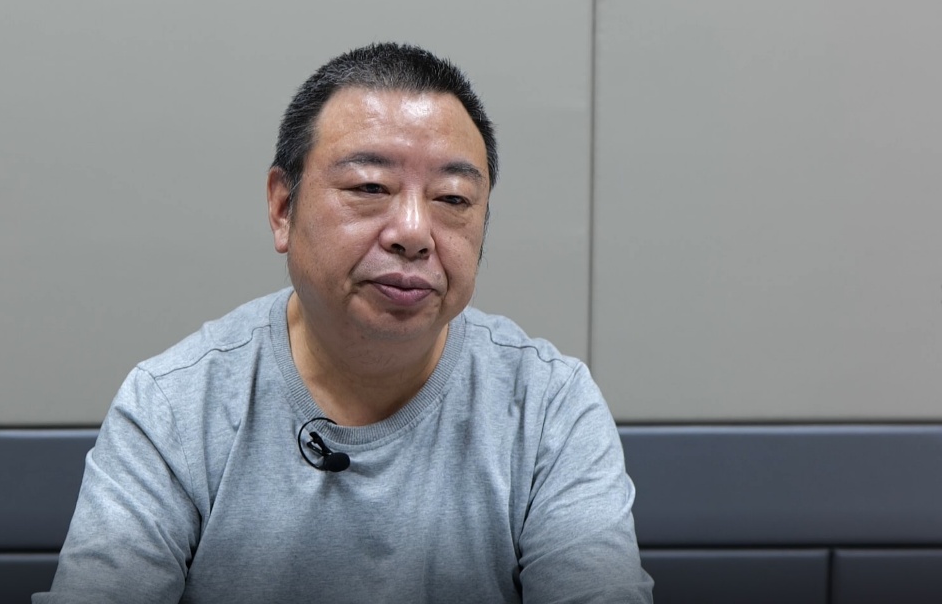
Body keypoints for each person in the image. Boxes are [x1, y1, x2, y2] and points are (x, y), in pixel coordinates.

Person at [34, 43, 653, 603]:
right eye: (370, 187)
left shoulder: (547, 406)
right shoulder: (176, 405)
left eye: (453, 199)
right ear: (283, 207)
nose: (413, 232)